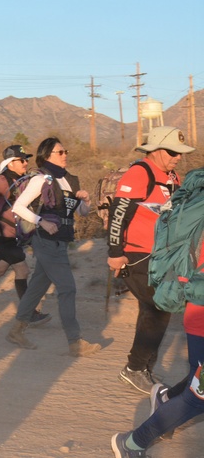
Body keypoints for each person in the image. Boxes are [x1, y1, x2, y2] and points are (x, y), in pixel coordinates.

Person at [107, 126, 194, 395]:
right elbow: (118, 213)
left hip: (162, 256)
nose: (178, 157)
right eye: (172, 152)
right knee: (158, 308)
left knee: (153, 309)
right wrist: (114, 253)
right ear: (155, 149)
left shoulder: (171, 177)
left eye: (180, 153)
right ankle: (134, 369)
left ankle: (142, 367)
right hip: (136, 254)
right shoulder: (140, 173)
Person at [111, 232, 204, 456]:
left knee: (196, 376)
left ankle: (166, 400)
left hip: (197, 314)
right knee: (198, 398)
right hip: (201, 317)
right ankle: (132, 443)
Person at [6, 137, 101, 356]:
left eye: (65, 151)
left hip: (61, 240)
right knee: (67, 288)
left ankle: (16, 330)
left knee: (38, 285)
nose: (65, 154)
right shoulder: (41, 179)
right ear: (47, 156)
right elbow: (19, 207)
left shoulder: (69, 180)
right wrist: (41, 221)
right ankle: (75, 341)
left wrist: (85, 201)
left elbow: (82, 213)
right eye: (60, 152)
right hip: (45, 240)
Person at [0, 145, 50, 325]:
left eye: (27, 159)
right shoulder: (1, 181)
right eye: (21, 160)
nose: (26, 162)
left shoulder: (24, 180)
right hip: (2, 233)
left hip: (16, 234)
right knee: (23, 269)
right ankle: (29, 313)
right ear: (10, 163)